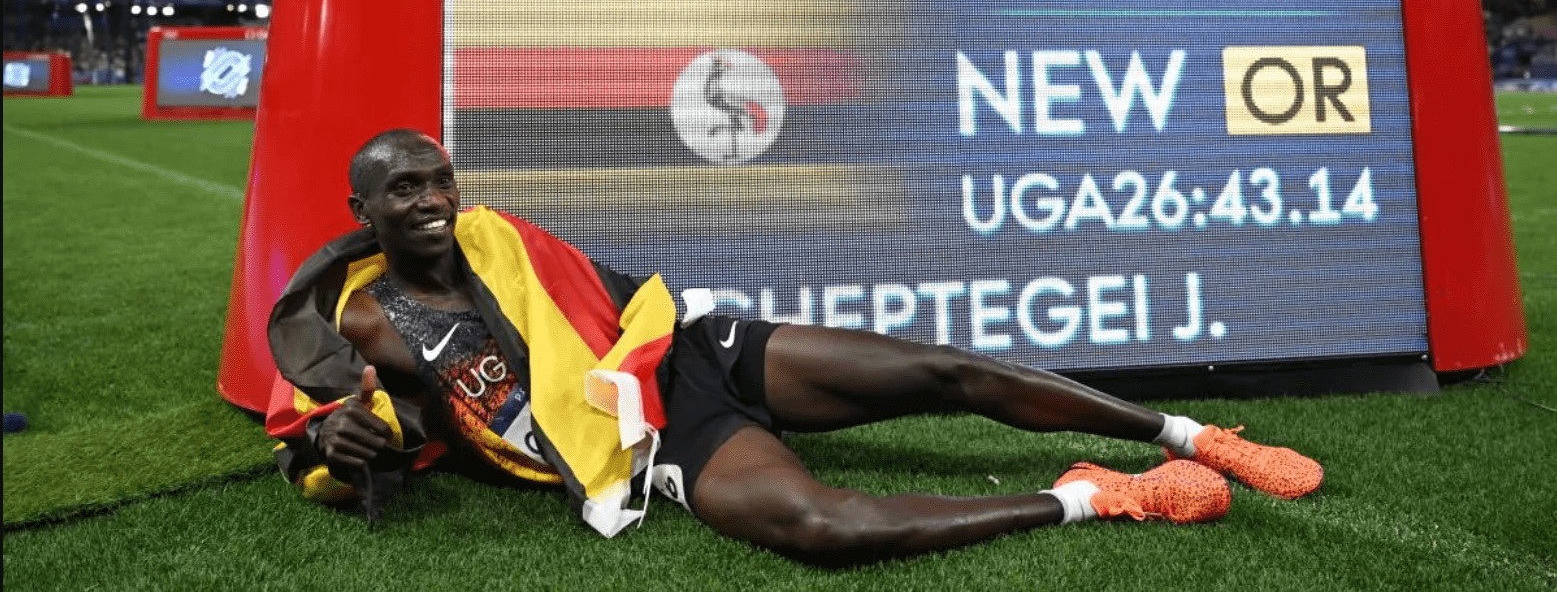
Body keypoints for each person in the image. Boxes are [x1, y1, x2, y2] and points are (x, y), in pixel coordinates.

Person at [265, 129, 1323, 566]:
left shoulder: (497, 233)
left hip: (688, 352)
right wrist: (335, 452)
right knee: (823, 528)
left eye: (440, 179)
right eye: (404, 189)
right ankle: (1097, 493)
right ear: (362, 209)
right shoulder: (361, 320)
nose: (432, 200)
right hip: (648, 436)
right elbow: (330, 433)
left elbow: (609, 300)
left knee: (944, 368)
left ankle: (1193, 435)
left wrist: (663, 333)